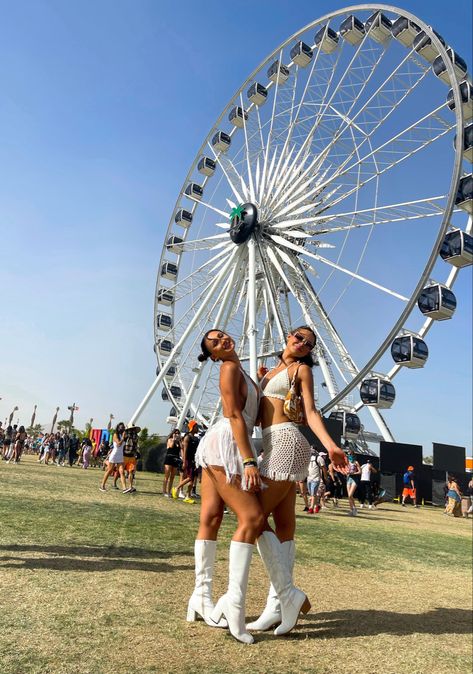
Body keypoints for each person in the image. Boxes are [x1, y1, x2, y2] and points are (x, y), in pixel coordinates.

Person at [248, 326, 348, 634]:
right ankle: (277, 605)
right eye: (299, 336)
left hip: (287, 442)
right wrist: (260, 380)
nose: (303, 343)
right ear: (287, 336)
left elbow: (311, 412)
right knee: (284, 524)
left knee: (251, 517)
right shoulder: (272, 371)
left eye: (309, 343)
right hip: (270, 441)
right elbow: (255, 414)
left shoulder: (301, 370)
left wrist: (330, 446)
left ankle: (286, 595)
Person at [187, 328, 265, 644]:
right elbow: (233, 414)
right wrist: (248, 461)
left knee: (211, 518)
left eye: (222, 335)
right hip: (228, 445)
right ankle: (234, 605)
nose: (222, 340)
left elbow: (251, 416)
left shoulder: (241, 370)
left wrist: (260, 380)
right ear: (214, 355)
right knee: (253, 519)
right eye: (214, 343)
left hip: (221, 442)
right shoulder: (229, 368)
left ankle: (200, 597)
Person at [172, 421, 200, 504]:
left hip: (195, 461)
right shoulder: (187, 437)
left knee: (192, 479)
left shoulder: (196, 438)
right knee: (190, 477)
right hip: (188, 460)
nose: (197, 428)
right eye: (196, 426)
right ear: (192, 427)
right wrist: (184, 462)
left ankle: (188, 496)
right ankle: (176, 488)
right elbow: (185, 450)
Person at [100, 423, 127, 492]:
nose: (123, 428)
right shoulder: (115, 435)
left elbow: (123, 447)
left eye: (123, 427)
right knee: (109, 470)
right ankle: (102, 485)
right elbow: (118, 444)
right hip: (114, 455)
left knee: (122, 472)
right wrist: (123, 437)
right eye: (121, 427)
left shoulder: (123, 435)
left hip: (120, 455)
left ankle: (124, 488)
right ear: (118, 428)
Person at [306, 448, 326, 514]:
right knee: (311, 494)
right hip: (309, 478)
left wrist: (325, 477)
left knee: (313, 494)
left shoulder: (319, 458)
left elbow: (323, 468)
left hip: (316, 479)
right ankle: (317, 505)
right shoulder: (308, 458)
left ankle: (311, 508)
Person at [122, 424, 141, 493]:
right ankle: (130, 486)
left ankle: (125, 487)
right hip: (132, 456)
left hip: (125, 455)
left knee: (122, 472)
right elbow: (136, 446)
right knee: (130, 472)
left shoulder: (125, 434)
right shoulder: (136, 436)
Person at [163, 430, 181, 497]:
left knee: (172, 477)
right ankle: (164, 491)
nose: (177, 434)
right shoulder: (170, 440)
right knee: (167, 476)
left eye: (178, 433)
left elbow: (181, 448)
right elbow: (170, 446)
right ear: (173, 434)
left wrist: (179, 440)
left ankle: (169, 491)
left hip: (176, 459)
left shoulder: (179, 442)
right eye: (175, 433)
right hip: (169, 458)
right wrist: (173, 439)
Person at [345, 451, 361, 516]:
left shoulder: (356, 462)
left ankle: (354, 508)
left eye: (350, 454)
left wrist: (353, 473)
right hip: (349, 479)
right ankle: (352, 510)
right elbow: (345, 470)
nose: (349, 455)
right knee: (349, 496)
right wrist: (346, 472)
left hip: (355, 479)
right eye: (348, 454)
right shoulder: (347, 463)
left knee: (350, 495)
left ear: (353, 455)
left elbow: (360, 472)